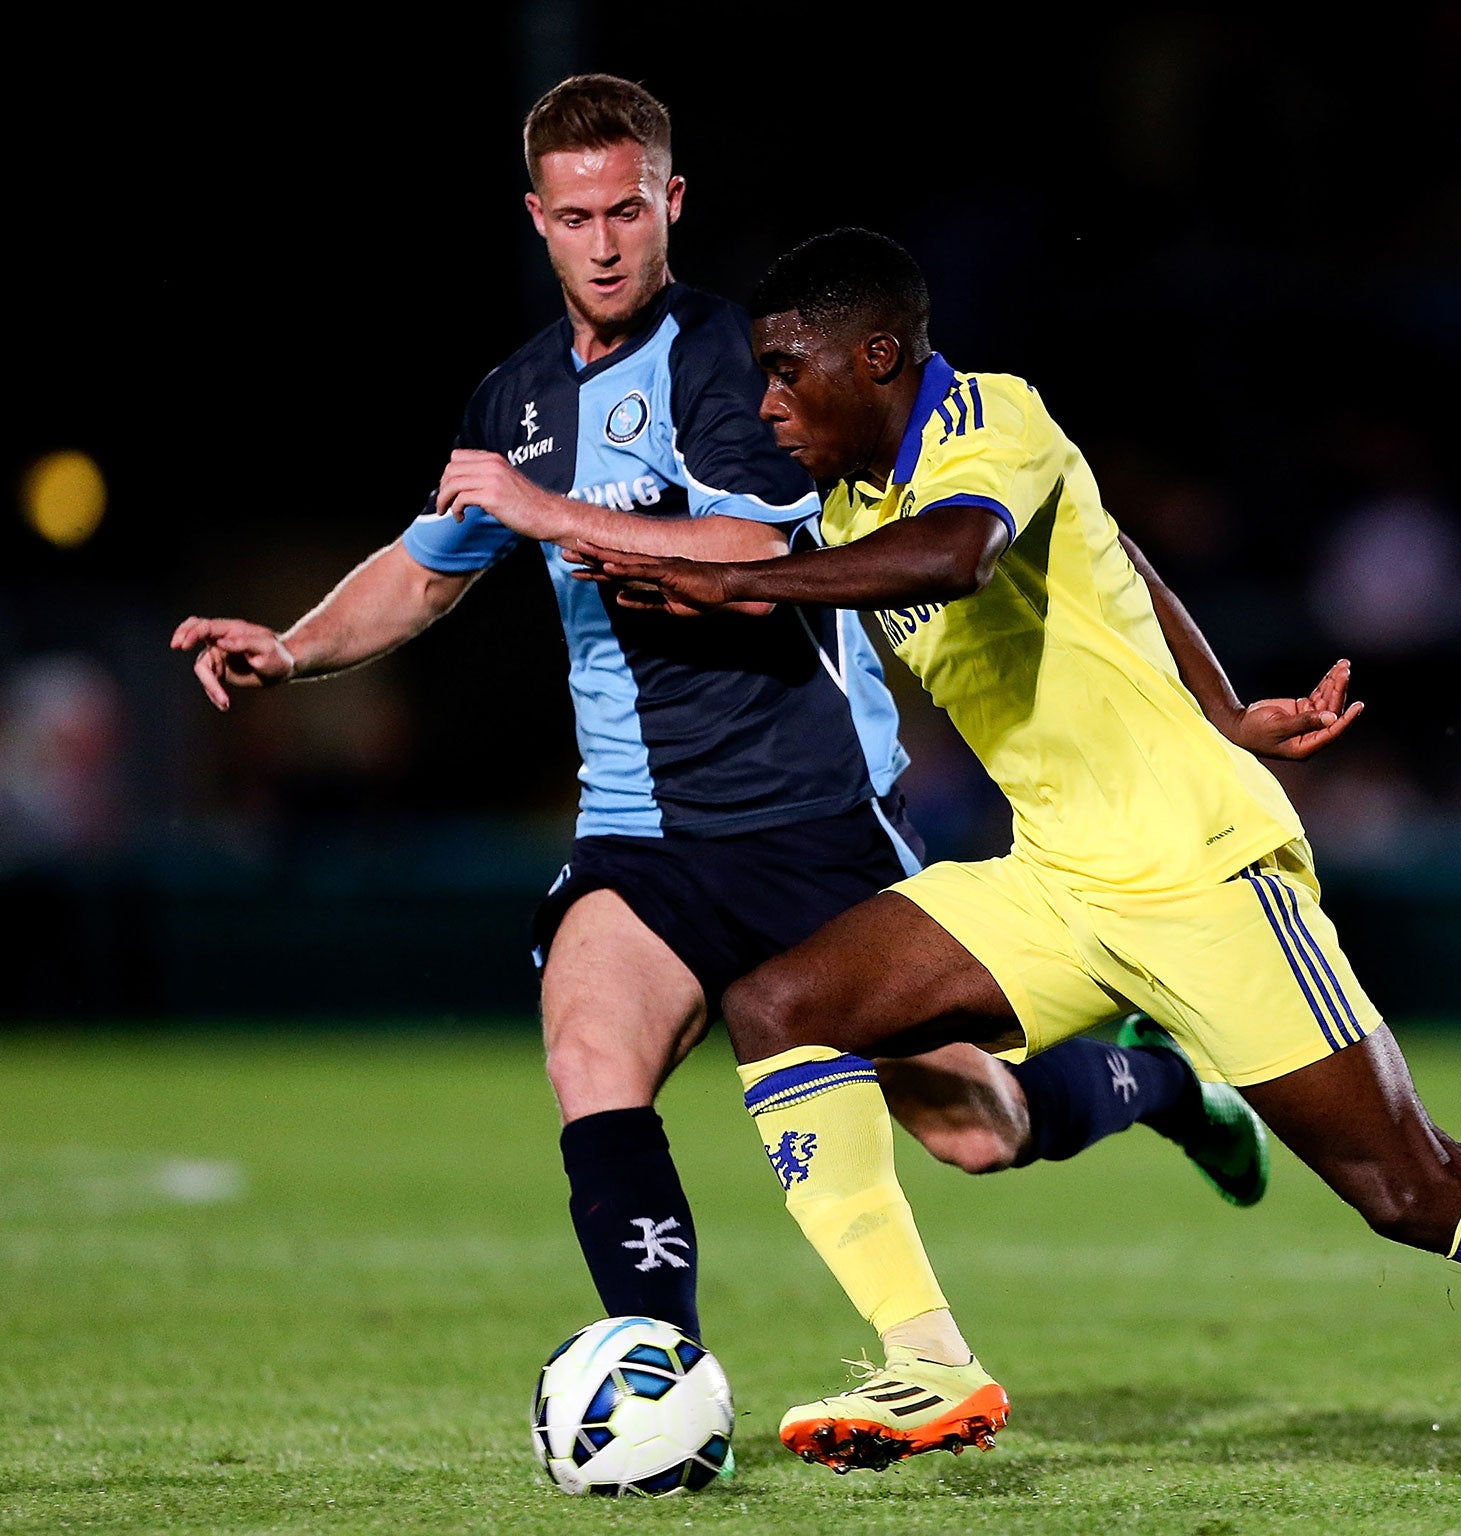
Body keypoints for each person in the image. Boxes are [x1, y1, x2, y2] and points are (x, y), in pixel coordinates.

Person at [546, 228, 1461, 1498]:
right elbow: (1113, 545)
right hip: (1058, 876)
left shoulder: (986, 424)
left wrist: (747, 590)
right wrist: (1227, 700)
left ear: (879, 356)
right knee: (784, 1007)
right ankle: (929, 1365)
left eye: (790, 368)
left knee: (1409, 1191)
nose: (769, 397)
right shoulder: (851, 493)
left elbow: (966, 553)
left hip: (1201, 871)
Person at [167, 79, 1287, 1398]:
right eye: (574, 215)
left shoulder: (744, 363)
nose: (601, 241)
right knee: (589, 1048)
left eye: (625, 210)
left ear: (670, 204)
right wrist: (294, 650)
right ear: (536, 219)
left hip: (811, 821)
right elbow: (428, 566)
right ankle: (661, 1381)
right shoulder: (516, 398)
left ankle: (1160, 1091)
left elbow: (762, 550)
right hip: (640, 831)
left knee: (975, 1128)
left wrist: (553, 516)